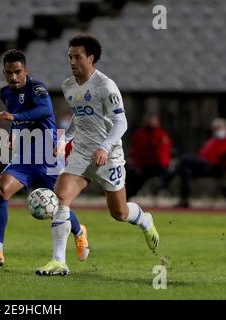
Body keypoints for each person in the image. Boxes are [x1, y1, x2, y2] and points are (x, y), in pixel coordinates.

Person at [36, 34, 160, 276]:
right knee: (61, 196)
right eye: (70, 56)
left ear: (90, 58)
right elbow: (79, 117)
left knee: (119, 213)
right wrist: (64, 139)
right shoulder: (68, 86)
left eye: (77, 57)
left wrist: (104, 147)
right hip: (81, 153)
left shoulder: (105, 86)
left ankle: (145, 220)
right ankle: (59, 261)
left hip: (108, 156)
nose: (72, 61)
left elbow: (121, 122)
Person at [0, 50, 89, 268]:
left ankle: (79, 231)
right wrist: (13, 132)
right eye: (9, 73)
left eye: (18, 72)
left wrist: (16, 118)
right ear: (4, 73)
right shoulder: (6, 93)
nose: (14, 77)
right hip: (25, 157)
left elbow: (44, 110)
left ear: (26, 71)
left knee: (59, 204)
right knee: (1, 191)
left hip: (47, 156)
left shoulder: (36, 88)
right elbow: (17, 116)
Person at [165, 118, 226, 208]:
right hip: (204, 166)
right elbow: (202, 155)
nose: (218, 131)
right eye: (216, 128)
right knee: (185, 170)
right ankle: (184, 201)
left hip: (216, 167)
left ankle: (167, 179)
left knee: (185, 159)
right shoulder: (211, 142)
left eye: (220, 128)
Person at [126, 114, 172, 199]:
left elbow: (163, 153)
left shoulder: (161, 135)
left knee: (168, 174)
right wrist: (137, 165)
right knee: (130, 173)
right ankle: (127, 197)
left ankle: (162, 191)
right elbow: (135, 151)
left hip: (158, 166)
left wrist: (163, 165)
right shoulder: (139, 135)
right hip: (143, 166)